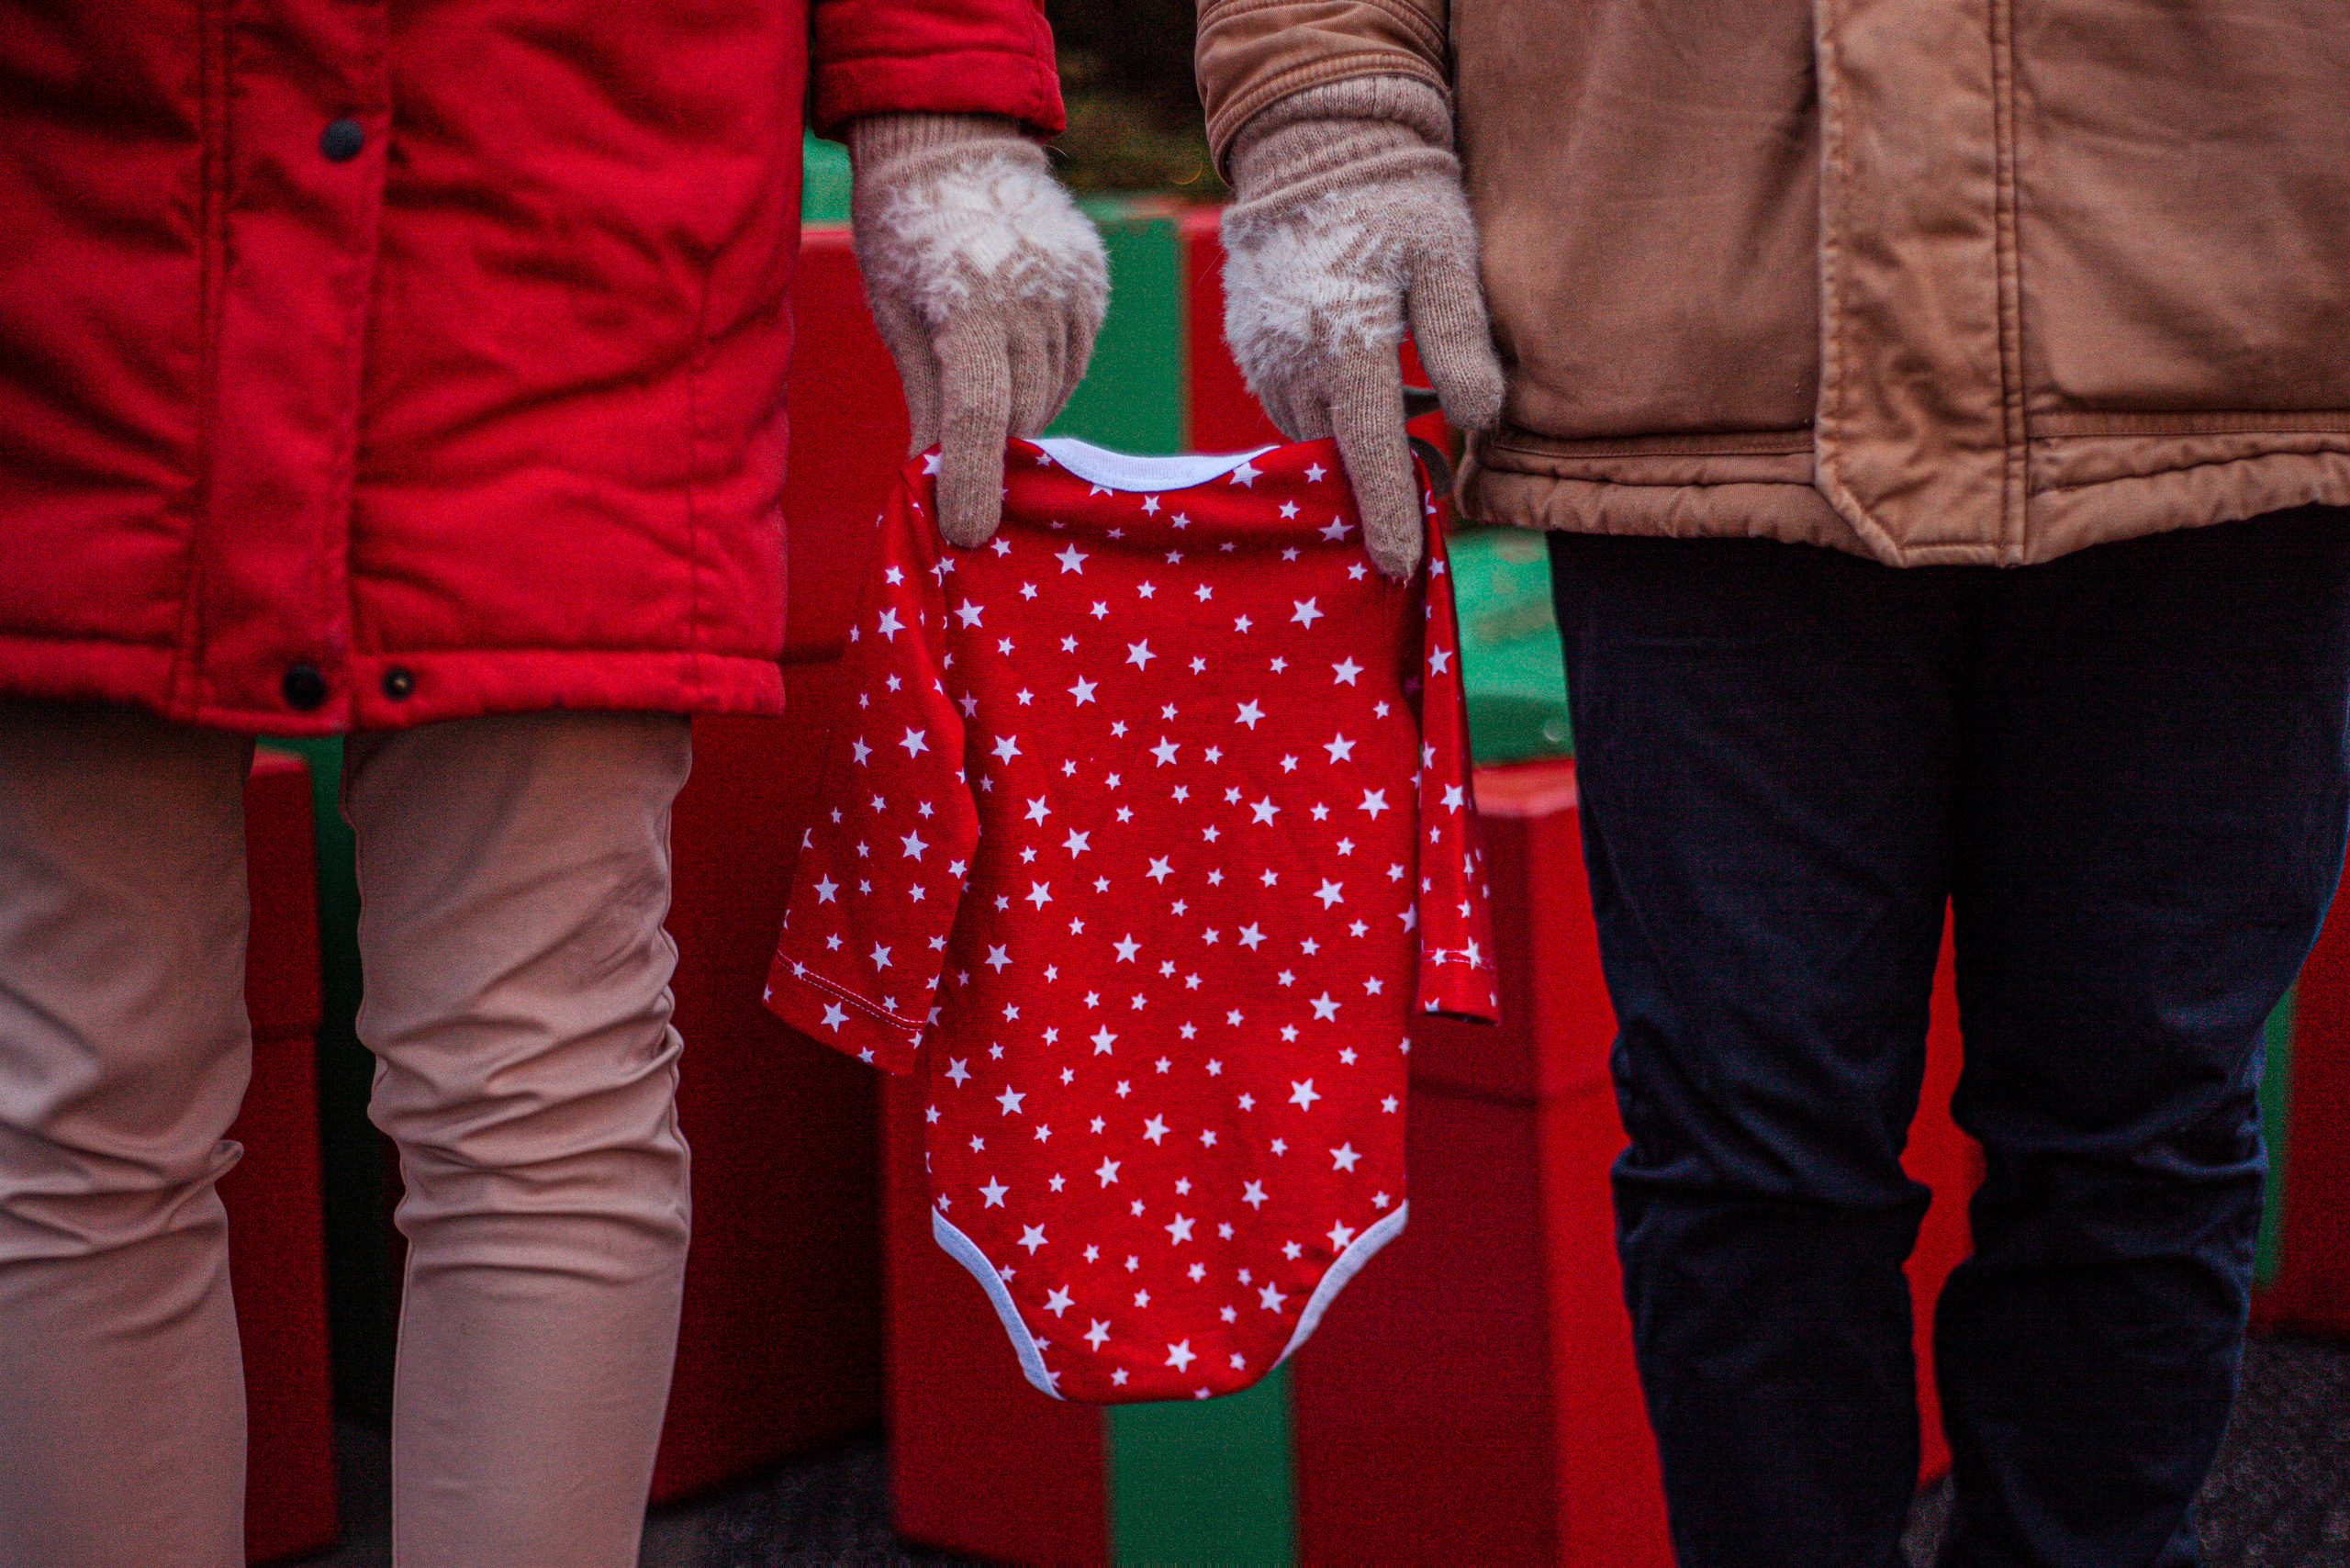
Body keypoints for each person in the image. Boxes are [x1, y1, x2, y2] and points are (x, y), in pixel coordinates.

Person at [1198, 5, 2350, 1564]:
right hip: (1700, 344)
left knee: (2137, 1134)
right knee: (1754, 1153)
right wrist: (1328, 109)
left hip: (2228, 309)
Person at [0, 6, 1104, 1565]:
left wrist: (942, 112)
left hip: (557, 200)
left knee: (525, 1083)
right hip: (92, 218)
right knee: (77, 1094)